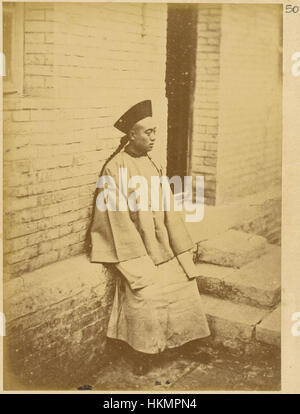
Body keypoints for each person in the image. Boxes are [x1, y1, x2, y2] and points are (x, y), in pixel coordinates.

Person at [89, 100, 210, 375]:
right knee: (146, 292)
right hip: (135, 249)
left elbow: (169, 209)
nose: (154, 138)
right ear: (131, 135)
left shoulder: (152, 165)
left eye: (155, 132)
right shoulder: (114, 169)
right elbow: (115, 219)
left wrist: (178, 250)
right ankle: (142, 352)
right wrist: (141, 258)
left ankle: (185, 342)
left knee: (184, 284)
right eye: (148, 132)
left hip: (161, 246)